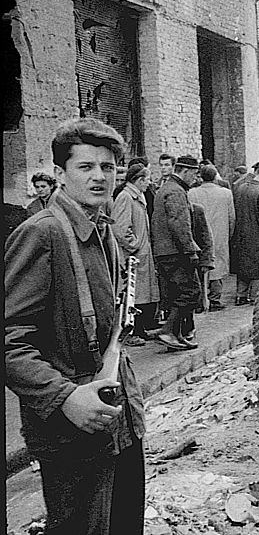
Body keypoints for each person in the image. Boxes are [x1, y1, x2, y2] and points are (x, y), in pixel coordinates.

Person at [6, 117, 146, 534]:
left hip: (119, 419)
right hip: (70, 430)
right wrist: (64, 397)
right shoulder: (43, 234)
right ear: (60, 174)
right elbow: (10, 341)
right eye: (86, 166)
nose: (100, 176)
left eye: (108, 166)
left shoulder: (105, 230)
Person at [151, 155, 202, 350]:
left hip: (165, 251)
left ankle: (176, 335)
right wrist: (191, 251)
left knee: (177, 293)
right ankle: (168, 331)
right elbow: (179, 223)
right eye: (194, 174)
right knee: (190, 292)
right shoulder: (176, 191)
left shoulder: (166, 188)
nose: (195, 178)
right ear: (186, 172)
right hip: (175, 252)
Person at [111, 163, 161, 342]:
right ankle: (130, 334)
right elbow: (120, 228)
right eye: (147, 179)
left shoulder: (137, 197)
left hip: (140, 254)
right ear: (139, 180)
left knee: (140, 294)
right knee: (131, 295)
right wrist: (135, 246)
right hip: (133, 256)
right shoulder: (126, 197)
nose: (149, 183)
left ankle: (140, 330)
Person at [188, 165, 236, 312]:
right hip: (220, 232)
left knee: (201, 264)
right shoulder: (226, 193)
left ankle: (201, 299)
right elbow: (231, 217)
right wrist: (229, 232)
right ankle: (215, 298)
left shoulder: (192, 193)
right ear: (215, 176)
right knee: (218, 263)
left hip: (199, 233)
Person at [231, 161, 259, 306]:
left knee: (242, 265)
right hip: (257, 235)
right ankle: (256, 297)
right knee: (258, 266)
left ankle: (240, 295)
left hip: (240, 234)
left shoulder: (239, 188)